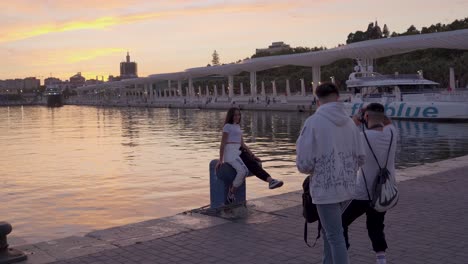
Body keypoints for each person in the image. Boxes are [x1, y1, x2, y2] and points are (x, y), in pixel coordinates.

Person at [296, 83, 365, 264]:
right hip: (347, 188)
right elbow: (361, 157)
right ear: (338, 98)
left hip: (325, 190)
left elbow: (304, 163)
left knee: (335, 236)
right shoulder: (350, 123)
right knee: (330, 232)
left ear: (318, 101)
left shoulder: (313, 122)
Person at [342, 103, 397, 264]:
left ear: (366, 117)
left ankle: (342, 255)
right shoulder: (393, 133)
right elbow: (387, 122)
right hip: (384, 192)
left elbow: (346, 131)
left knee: (340, 222)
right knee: (376, 225)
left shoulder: (361, 138)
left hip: (362, 193)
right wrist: (375, 113)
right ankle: (381, 260)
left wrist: (358, 117)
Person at [216, 107, 283, 202]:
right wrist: (220, 159)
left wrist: (253, 155)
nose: (237, 117)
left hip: (239, 150)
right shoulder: (227, 126)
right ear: (231, 115)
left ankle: (271, 181)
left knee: (254, 163)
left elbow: (243, 144)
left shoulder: (237, 126)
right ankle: (231, 192)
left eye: (238, 115)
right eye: (235, 115)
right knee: (243, 171)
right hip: (230, 152)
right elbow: (223, 143)